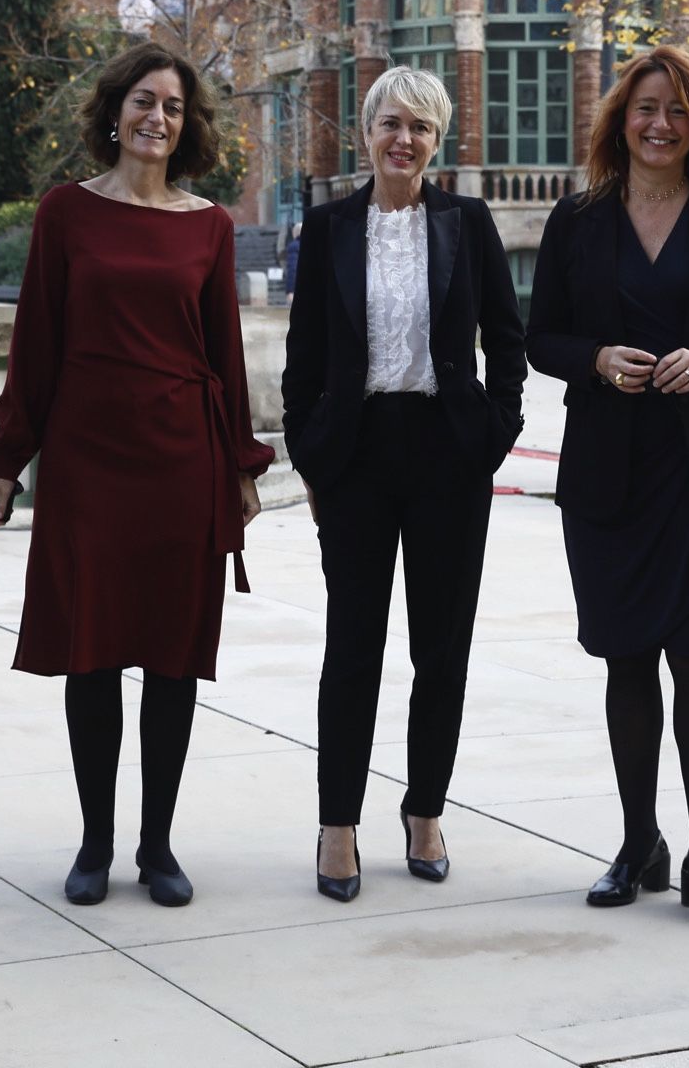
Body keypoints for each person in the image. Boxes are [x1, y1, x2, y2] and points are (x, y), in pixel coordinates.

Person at [0, 42, 274, 911]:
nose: (157, 118)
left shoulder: (210, 225)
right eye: (144, 101)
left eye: (174, 108)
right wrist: (8, 456)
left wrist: (243, 467)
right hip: (86, 461)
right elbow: (34, 341)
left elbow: (226, 352)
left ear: (188, 127)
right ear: (115, 112)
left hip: (183, 462)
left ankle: (157, 845)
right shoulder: (65, 214)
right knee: (93, 655)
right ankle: (95, 842)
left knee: (174, 660)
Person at [526, 46, 689, 932]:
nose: (660, 124)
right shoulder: (577, 220)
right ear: (619, 121)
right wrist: (595, 359)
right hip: (609, 477)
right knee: (626, 663)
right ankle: (640, 843)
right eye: (644, 109)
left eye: (676, 110)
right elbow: (542, 339)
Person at [282, 64, 526, 903]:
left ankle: (425, 810)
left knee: (441, 651)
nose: (403, 139)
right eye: (390, 122)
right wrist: (312, 452)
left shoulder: (466, 221)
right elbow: (303, 358)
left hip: (448, 453)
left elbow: (507, 336)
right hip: (355, 456)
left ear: (437, 138)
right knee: (352, 648)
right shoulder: (328, 229)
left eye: (420, 126)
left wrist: (497, 432)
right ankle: (337, 823)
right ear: (365, 132)